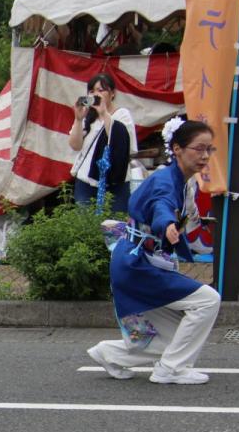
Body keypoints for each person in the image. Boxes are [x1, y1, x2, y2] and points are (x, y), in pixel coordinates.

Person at [87, 118, 222, 385]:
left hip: (138, 261)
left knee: (174, 341)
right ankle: (169, 370)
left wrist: (181, 224)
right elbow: (161, 205)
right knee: (208, 300)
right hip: (138, 265)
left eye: (209, 149)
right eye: (199, 148)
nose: (205, 156)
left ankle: (109, 353)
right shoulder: (164, 181)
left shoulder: (182, 180)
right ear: (178, 148)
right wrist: (167, 224)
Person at [68, 73, 135, 214]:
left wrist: (104, 113)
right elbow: (75, 145)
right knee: (86, 228)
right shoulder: (88, 118)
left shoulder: (122, 115)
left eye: (101, 90)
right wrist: (78, 119)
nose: (96, 94)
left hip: (114, 183)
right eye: (92, 91)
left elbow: (120, 141)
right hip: (86, 182)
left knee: (114, 227)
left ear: (112, 93)